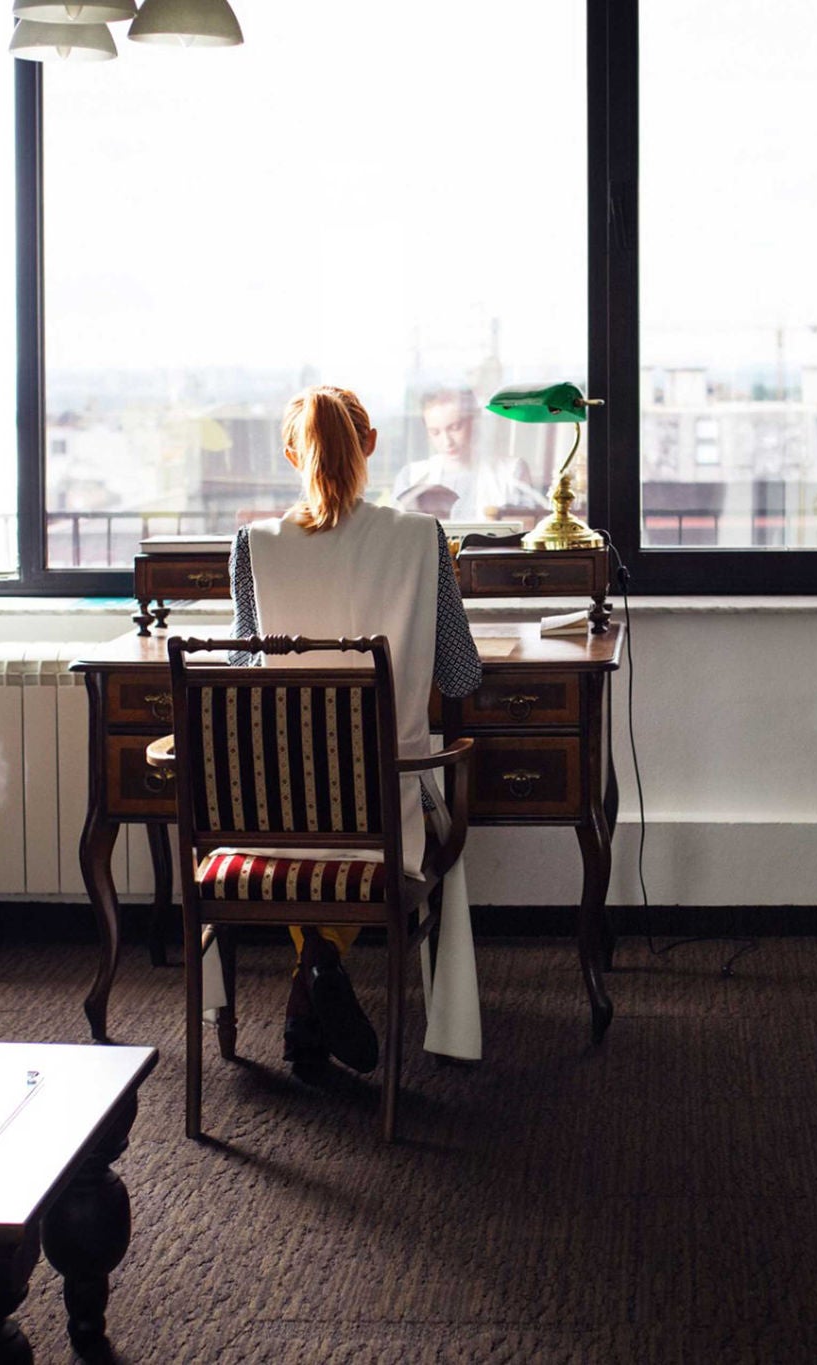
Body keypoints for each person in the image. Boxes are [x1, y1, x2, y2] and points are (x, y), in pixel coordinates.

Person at [212, 384, 485, 1074]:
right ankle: (321, 969)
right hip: (385, 804)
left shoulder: (253, 546)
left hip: (278, 810)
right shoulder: (422, 538)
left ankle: (313, 979)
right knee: (369, 817)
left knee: (304, 817)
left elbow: (242, 673)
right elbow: (461, 677)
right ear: (369, 445)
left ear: (291, 454)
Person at [390, 387, 543, 522]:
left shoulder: (511, 472)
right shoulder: (411, 477)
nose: (447, 441)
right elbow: (397, 536)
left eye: (455, 427)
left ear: (473, 421)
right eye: (435, 432)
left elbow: (524, 531)